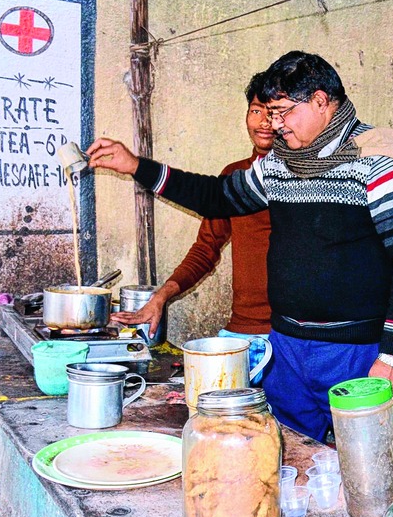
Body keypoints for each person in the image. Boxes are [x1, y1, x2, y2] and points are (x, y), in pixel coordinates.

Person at [88, 51, 393, 443]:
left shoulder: (379, 162)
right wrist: (137, 166)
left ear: (321, 101)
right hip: (285, 350)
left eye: (283, 112)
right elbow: (217, 196)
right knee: (290, 458)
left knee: (367, 463)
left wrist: (392, 356)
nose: (275, 125)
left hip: (355, 353)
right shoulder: (280, 163)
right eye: (270, 113)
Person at [112, 73, 274, 374]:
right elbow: (206, 249)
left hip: (288, 338)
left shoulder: (301, 179)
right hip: (242, 332)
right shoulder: (234, 177)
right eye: (256, 110)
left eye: (273, 112)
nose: (264, 121)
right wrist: (161, 296)